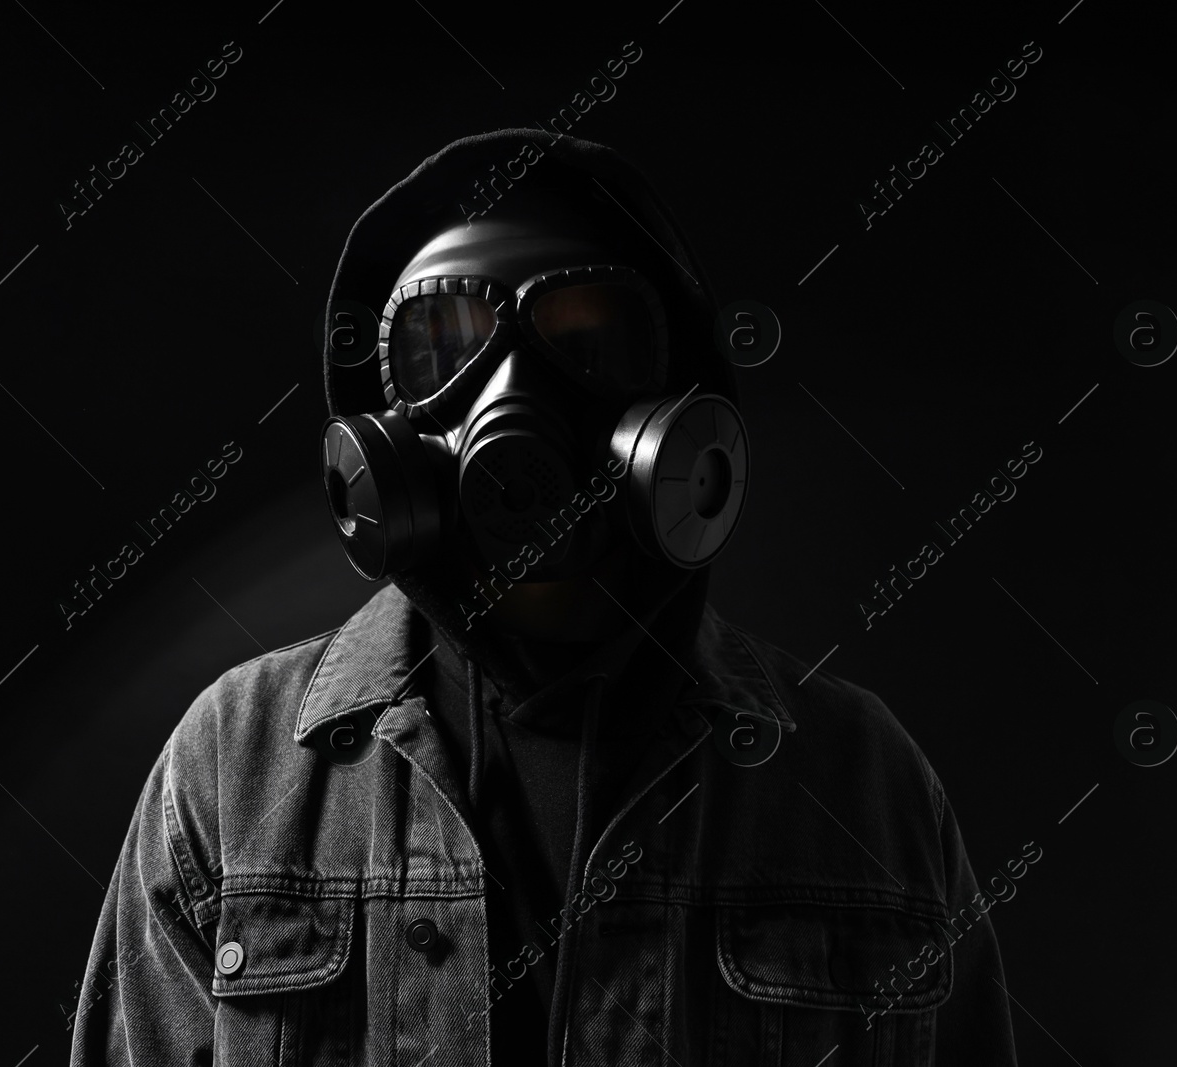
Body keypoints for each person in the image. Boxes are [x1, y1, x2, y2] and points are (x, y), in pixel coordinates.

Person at [69, 128, 1019, 1065]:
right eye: (445, 349)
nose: (514, 399)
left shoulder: (859, 780)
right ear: (380, 437)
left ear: (680, 410)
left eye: (593, 343)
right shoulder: (234, 766)